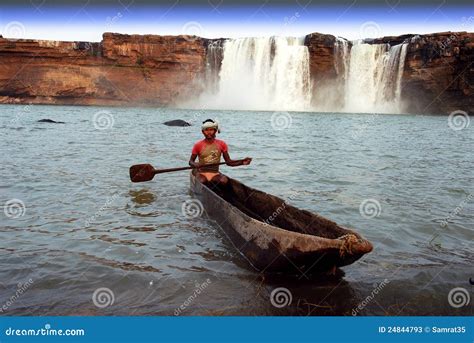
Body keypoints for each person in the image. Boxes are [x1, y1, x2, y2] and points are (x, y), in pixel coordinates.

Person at [189, 119, 252, 185]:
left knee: (224, 181)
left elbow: (229, 162)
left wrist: (242, 162)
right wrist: (195, 164)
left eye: (211, 130)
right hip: (202, 173)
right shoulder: (198, 145)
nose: (209, 132)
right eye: (206, 130)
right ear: (203, 132)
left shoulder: (222, 144)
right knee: (202, 181)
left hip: (215, 173)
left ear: (215, 131)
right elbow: (190, 161)